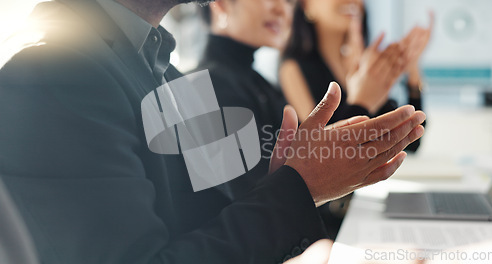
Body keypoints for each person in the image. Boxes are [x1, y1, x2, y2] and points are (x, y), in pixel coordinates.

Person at [0, 0, 425, 263]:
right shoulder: (55, 74)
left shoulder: (170, 72)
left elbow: (216, 221)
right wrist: (298, 186)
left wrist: (285, 180)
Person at [280, 0, 433, 150]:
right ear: (307, 4)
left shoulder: (362, 63)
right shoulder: (292, 68)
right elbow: (327, 150)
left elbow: (410, 141)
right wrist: (362, 98)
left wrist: (413, 71)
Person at [192, 0, 294, 194]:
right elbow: (258, 198)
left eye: (289, 0)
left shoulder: (257, 82)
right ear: (220, 4)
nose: (282, 9)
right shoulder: (210, 86)